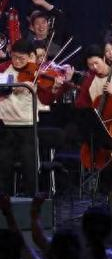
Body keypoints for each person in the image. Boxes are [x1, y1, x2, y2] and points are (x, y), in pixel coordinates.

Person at [0, 39, 63, 195]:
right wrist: (10, 89)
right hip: (4, 125)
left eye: (21, 58)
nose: (17, 61)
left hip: (28, 125)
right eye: (14, 57)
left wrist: (55, 88)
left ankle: (31, 203)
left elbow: (46, 100)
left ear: (30, 57)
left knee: (30, 168)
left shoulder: (37, 72)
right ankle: (4, 202)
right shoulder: (3, 68)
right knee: (4, 167)